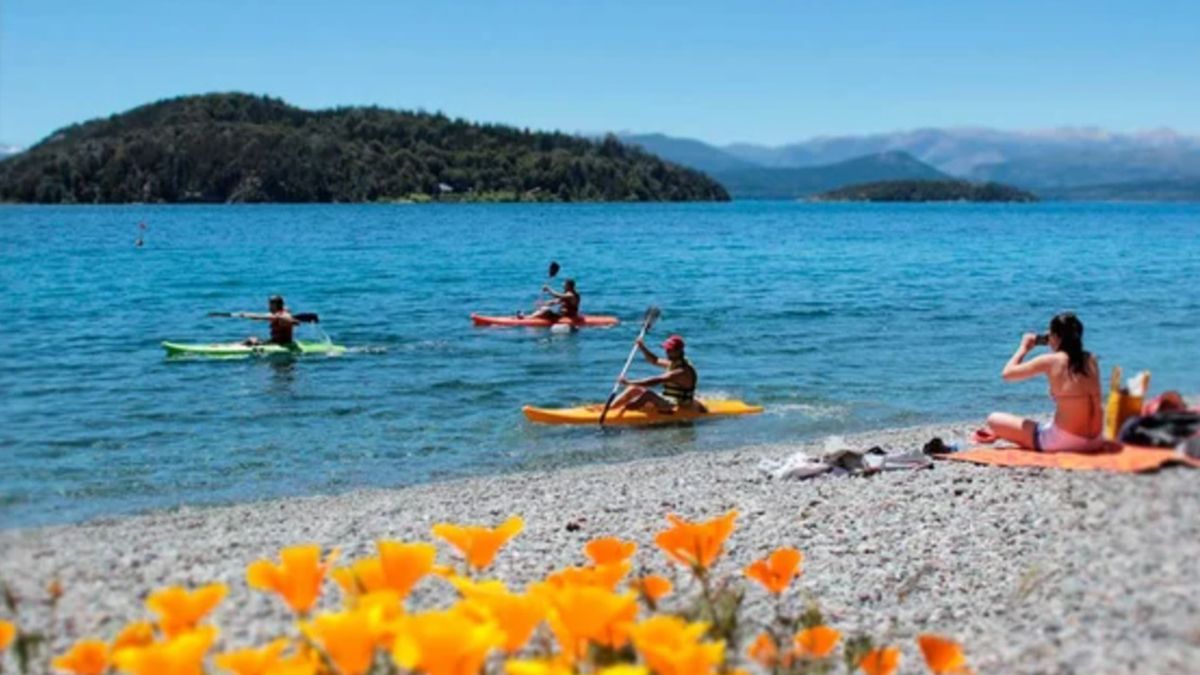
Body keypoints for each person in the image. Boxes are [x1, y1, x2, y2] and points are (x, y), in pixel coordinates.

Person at [977, 312, 1106, 452]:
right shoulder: (1091, 359)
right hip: (1096, 440)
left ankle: (1010, 434)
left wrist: (1024, 348)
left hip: (1065, 442)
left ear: (1057, 337)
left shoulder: (1050, 360)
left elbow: (1007, 374)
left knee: (994, 419)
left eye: (1050, 335)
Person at [609, 334, 706, 413]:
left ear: (679, 351)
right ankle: (610, 408)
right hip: (669, 400)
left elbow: (657, 380)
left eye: (670, 350)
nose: (667, 352)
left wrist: (629, 382)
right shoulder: (674, 363)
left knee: (647, 394)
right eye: (667, 350)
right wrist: (642, 347)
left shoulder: (683, 371)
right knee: (633, 389)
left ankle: (627, 410)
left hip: (677, 405)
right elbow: (654, 360)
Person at [235, 295, 300, 346]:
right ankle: (234, 345)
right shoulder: (276, 314)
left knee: (251, 340)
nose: (269, 307)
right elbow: (261, 315)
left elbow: (296, 322)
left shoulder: (283, 315)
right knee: (253, 339)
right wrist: (246, 314)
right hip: (274, 342)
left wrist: (292, 321)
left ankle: (235, 347)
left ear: (276, 305)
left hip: (281, 344)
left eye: (271, 305)